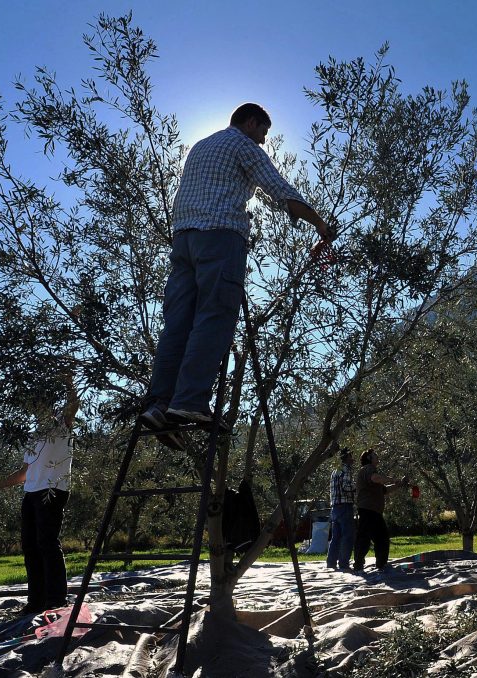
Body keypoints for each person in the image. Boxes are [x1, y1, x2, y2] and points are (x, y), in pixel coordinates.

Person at [140, 103, 335, 449]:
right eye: (263, 133)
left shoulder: (201, 146)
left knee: (177, 325)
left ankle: (159, 406)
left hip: (183, 242)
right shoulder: (243, 145)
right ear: (250, 122)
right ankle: (189, 401)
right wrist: (319, 223)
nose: (263, 141)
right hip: (220, 239)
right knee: (214, 317)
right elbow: (280, 190)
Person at [0, 375, 79, 615]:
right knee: (31, 546)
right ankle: (36, 601)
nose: (35, 410)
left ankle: (56, 600)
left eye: (39, 405)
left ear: (49, 407)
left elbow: (74, 405)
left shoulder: (62, 425)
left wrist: (69, 381)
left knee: (47, 544)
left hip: (52, 491)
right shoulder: (33, 436)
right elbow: (24, 473)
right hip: (31, 494)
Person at [353, 449, 409, 573]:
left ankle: (380, 564)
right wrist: (392, 479)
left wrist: (399, 484)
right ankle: (359, 565)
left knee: (380, 538)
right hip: (368, 510)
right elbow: (375, 478)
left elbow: (385, 490)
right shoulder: (368, 469)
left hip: (374, 511)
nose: (377, 456)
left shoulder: (373, 472)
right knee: (366, 538)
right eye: (374, 455)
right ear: (369, 458)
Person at [326, 447, 356, 570]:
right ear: (347, 457)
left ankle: (331, 562)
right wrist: (356, 487)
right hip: (345, 506)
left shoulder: (335, 471)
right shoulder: (346, 469)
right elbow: (346, 487)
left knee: (336, 537)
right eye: (351, 456)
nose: (352, 458)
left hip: (335, 507)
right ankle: (343, 563)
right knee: (347, 536)